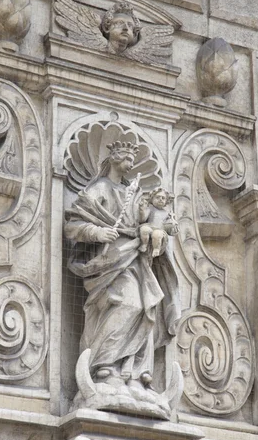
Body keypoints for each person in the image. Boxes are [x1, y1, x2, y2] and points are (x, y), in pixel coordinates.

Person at [64, 140, 180, 390]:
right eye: (126, 158)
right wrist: (98, 234)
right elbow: (72, 226)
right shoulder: (100, 189)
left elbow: (147, 221)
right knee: (129, 304)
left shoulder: (134, 192)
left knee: (146, 307)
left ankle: (134, 372)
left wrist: (156, 230)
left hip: (135, 258)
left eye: (132, 159)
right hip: (108, 262)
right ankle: (102, 365)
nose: (130, 163)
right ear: (114, 158)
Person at [138, 188, 179, 258]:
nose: (160, 199)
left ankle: (156, 249)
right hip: (150, 226)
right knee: (144, 229)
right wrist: (142, 210)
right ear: (152, 199)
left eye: (163, 198)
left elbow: (169, 225)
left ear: (166, 201)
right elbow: (143, 219)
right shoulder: (150, 208)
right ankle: (144, 244)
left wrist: (173, 225)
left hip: (160, 229)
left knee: (157, 234)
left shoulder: (166, 213)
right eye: (157, 197)